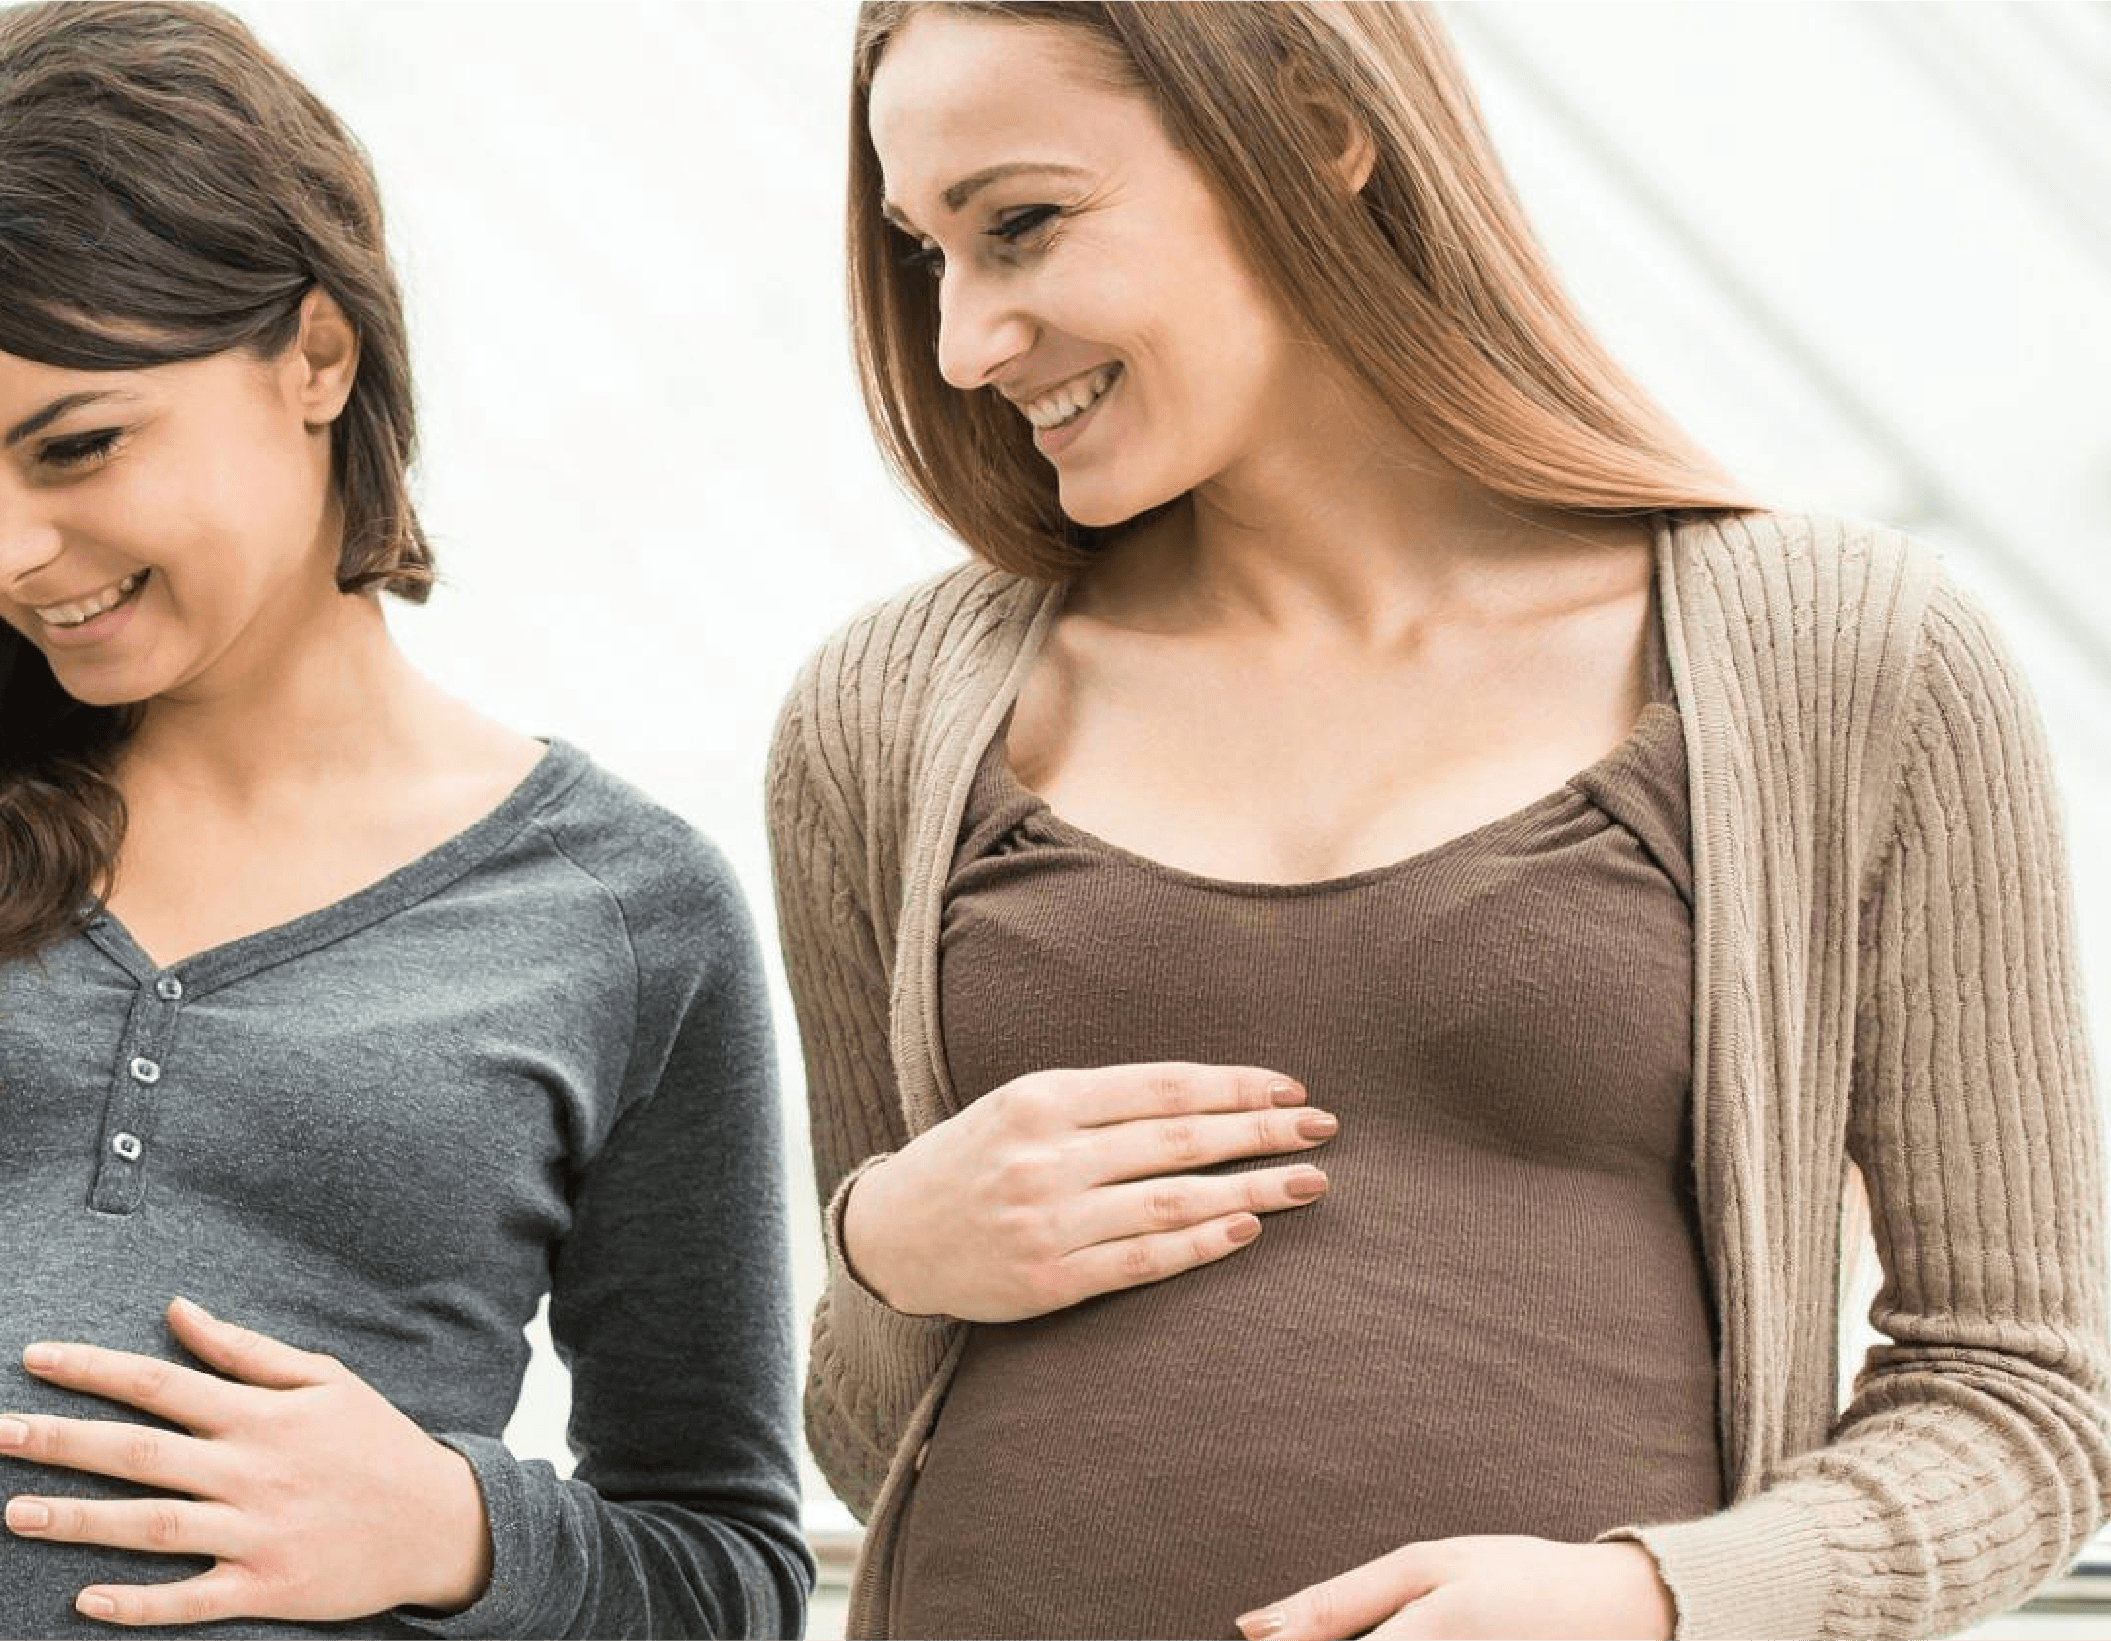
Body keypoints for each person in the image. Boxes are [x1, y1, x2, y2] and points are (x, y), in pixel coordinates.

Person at [771, 2, 2111, 1637]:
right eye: (929, 258)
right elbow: (867, 1439)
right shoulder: (884, 720)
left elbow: (2030, 1395)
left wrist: (1656, 1602)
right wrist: (891, 1256)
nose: (967, 340)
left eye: (1023, 226)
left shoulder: (1847, 657)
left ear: (1321, 127)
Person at [0, 3, 810, 1637]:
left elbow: (734, 1572)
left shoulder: (628, 913)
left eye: (76, 445)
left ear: (317, 357)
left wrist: (458, 1529)